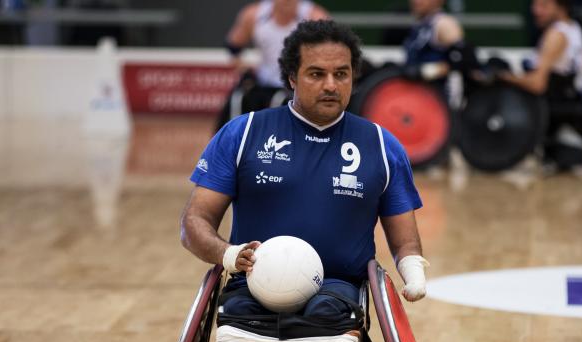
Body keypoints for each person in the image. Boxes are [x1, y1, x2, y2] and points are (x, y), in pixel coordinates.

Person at [181, 20, 429, 324]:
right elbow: (195, 221)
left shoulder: (382, 145)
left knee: (326, 314)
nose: (330, 85)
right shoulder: (242, 133)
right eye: (316, 74)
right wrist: (228, 254)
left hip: (339, 288)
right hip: (253, 283)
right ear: (291, 78)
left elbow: (405, 241)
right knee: (238, 315)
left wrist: (413, 273)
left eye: (341, 74)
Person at [215, 0, 329, 131]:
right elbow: (233, 46)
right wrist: (244, 67)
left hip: (296, 86)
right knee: (238, 98)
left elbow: (328, 54)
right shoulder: (254, 15)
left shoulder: (315, 17)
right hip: (263, 84)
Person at [501, 0, 582, 95]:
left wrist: (504, 77)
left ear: (561, 6)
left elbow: (538, 84)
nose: (536, 11)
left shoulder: (556, 34)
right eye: (534, 5)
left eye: (543, 5)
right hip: (572, 100)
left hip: (555, 104)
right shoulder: (574, 27)